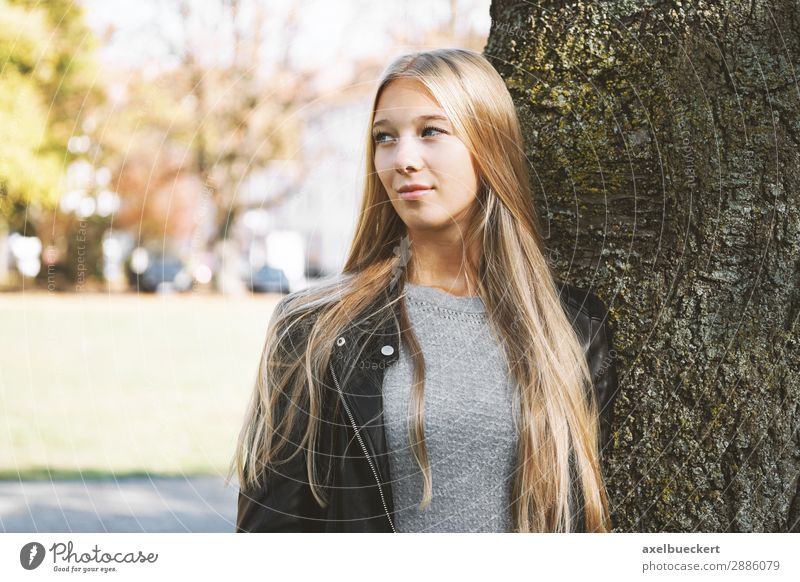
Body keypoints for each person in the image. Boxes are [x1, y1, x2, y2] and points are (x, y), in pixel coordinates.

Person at [231, 48, 620, 533]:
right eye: (385, 138)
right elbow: (271, 535)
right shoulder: (314, 326)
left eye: (431, 131)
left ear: (489, 144)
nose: (402, 160)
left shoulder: (574, 327)